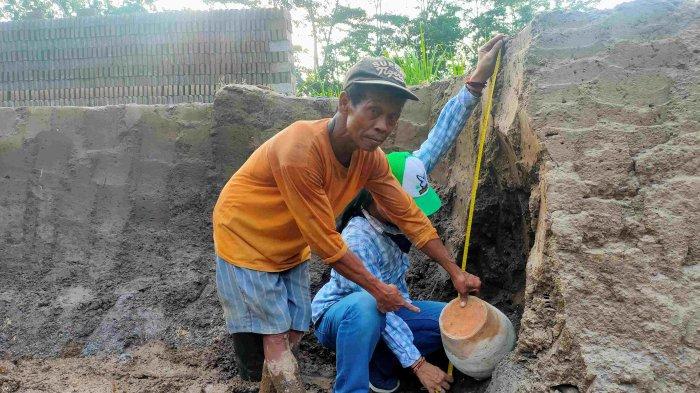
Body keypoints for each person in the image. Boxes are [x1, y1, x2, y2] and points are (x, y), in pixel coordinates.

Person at [212, 50, 488, 391]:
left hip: (289, 244)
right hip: (244, 237)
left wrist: (455, 271)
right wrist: (379, 291)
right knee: (276, 339)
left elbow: (411, 215)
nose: (383, 127)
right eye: (374, 111)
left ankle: (274, 379)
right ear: (346, 104)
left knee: (294, 332)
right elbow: (326, 243)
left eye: (392, 117)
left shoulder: (370, 159)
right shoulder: (301, 151)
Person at [311, 35, 506, 393]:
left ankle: (382, 362)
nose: (412, 213)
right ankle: (357, 381)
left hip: (392, 305)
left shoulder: (406, 170)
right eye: (407, 206)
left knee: (451, 322)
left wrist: (477, 80)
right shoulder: (358, 238)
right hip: (345, 315)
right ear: (382, 195)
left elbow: (440, 137)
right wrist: (420, 367)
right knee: (368, 310)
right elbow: (378, 300)